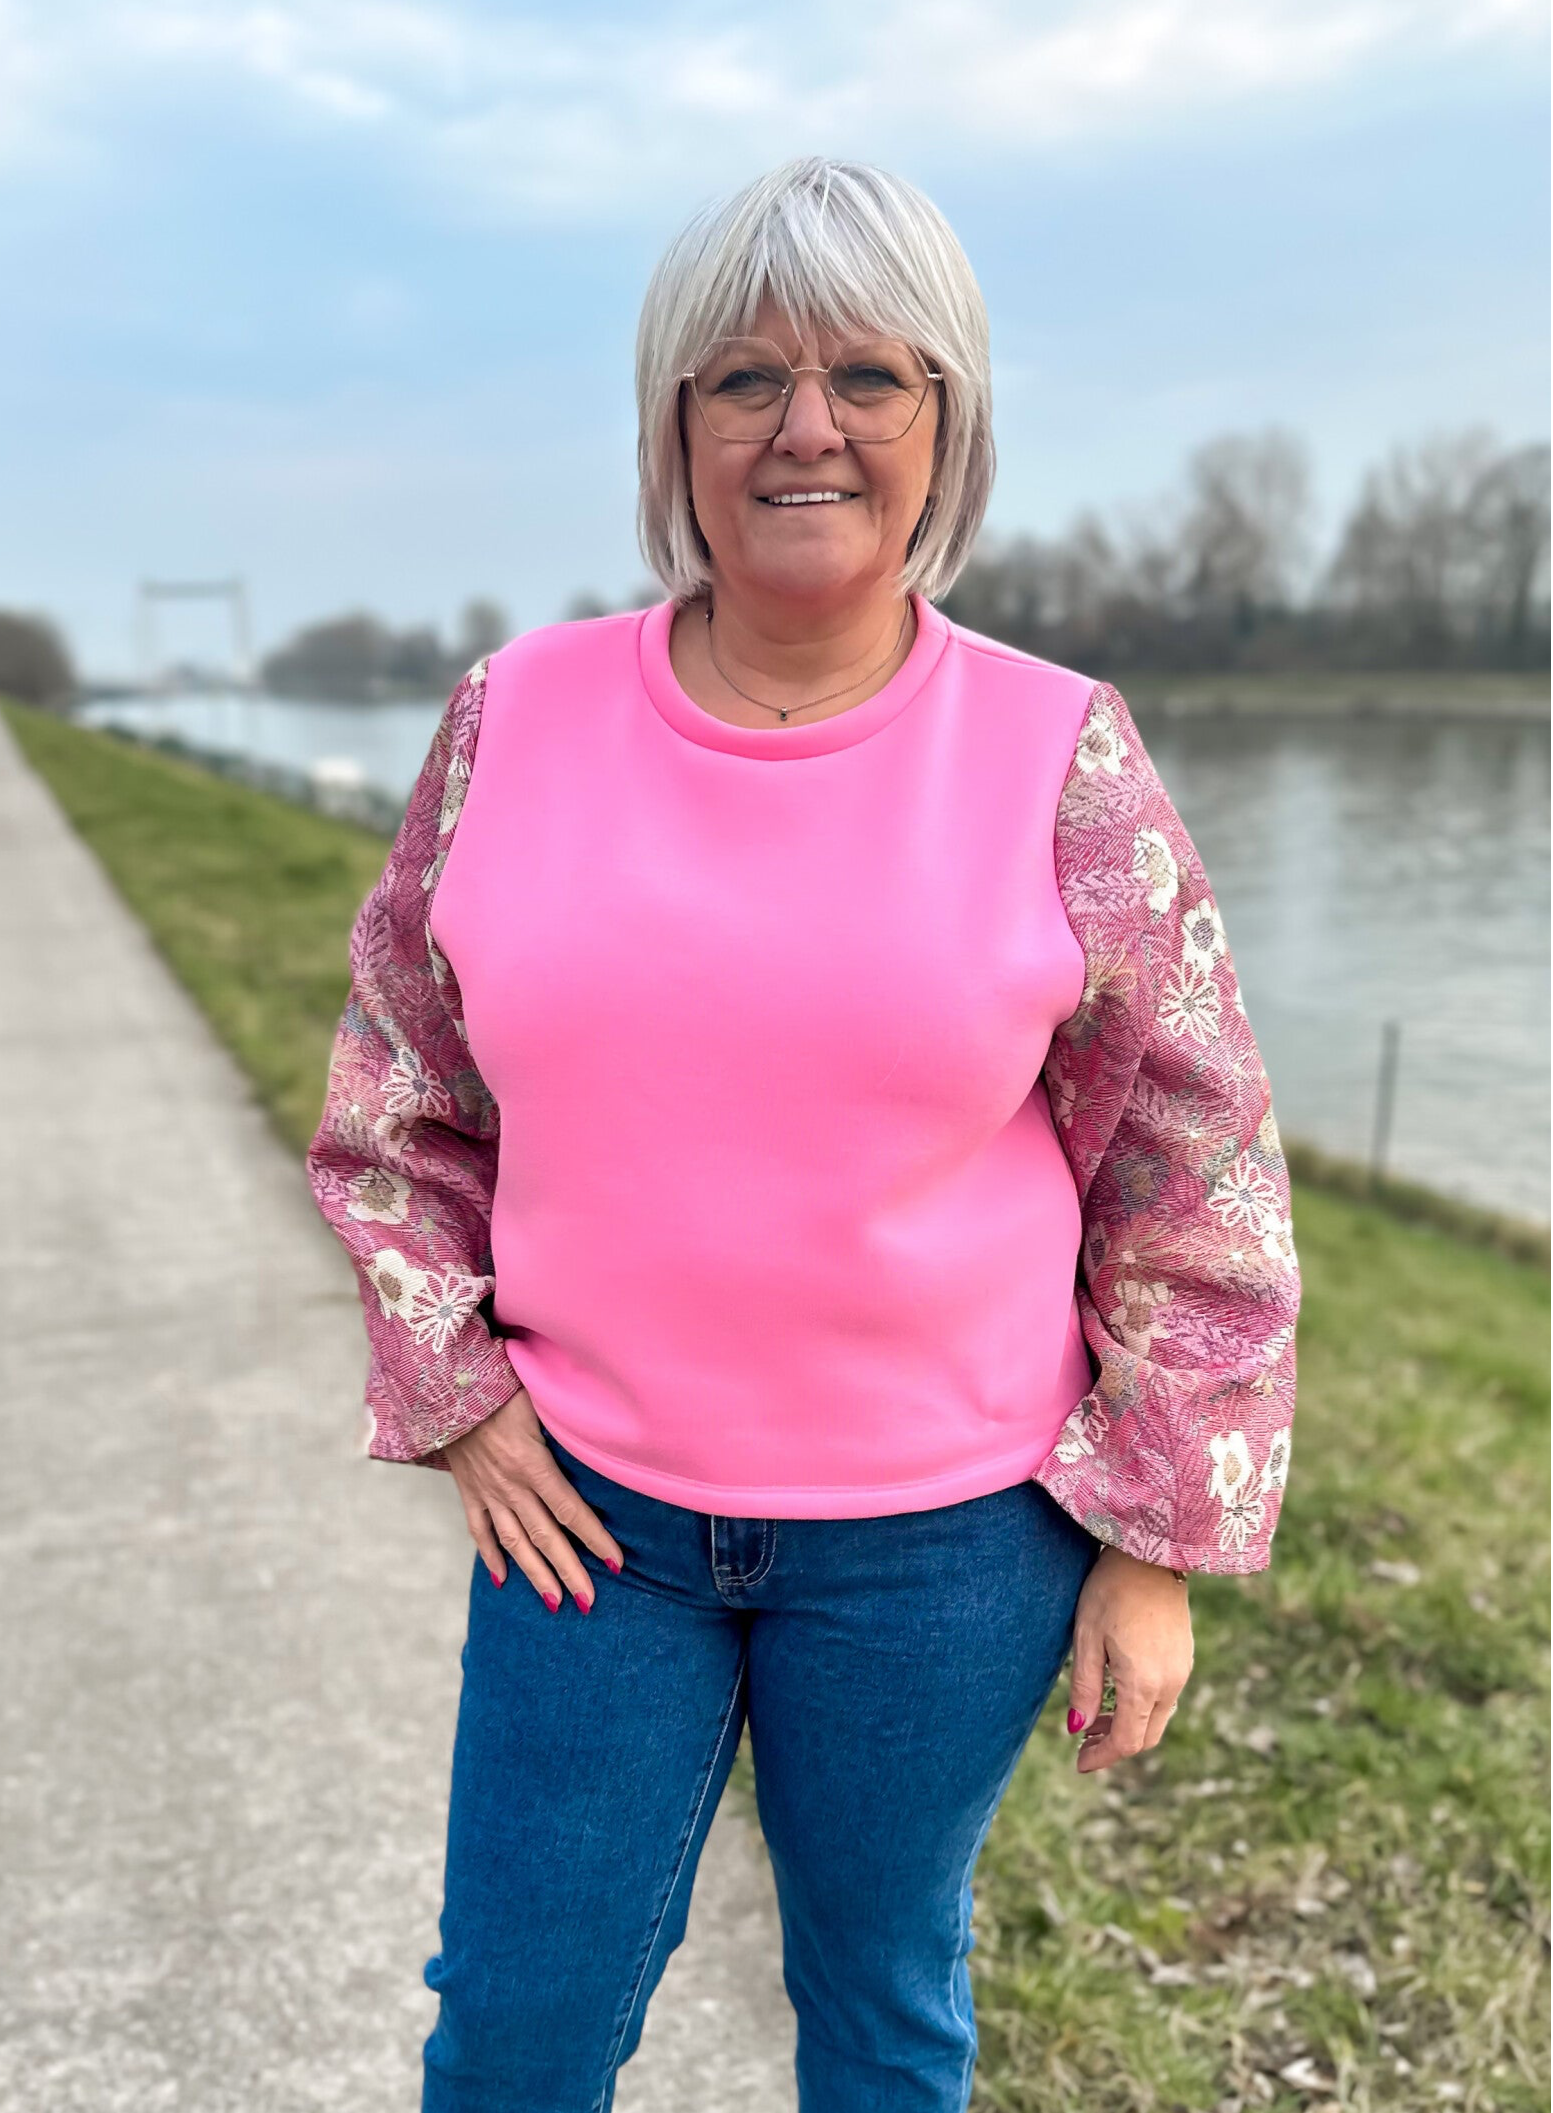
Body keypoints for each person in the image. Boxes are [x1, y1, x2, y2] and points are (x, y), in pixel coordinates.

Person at [306, 155, 1300, 2113]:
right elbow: (392, 1095)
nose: (806, 426)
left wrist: (1154, 1543)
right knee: (513, 2030)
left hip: (950, 1547)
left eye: (869, 375)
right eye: (746, 378)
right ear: (675, 425)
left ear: (948, 423)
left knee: (882, 2016)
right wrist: (455, 1389)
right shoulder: (514, 715)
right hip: (590, 1529)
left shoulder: (1060, 753)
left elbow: (1192, 1174)